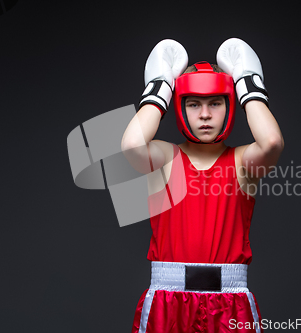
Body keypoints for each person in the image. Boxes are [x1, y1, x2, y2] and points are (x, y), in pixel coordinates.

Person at [121, 38, 284, 333]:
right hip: (167, 303)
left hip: (230, 303)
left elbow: (271, 142)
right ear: (180, 106)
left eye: (215, 103)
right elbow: (132, 144)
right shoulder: (165, 158)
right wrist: (161, 87)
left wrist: (248, 84)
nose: (205, 115)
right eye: (194, 104)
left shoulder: (242, 162)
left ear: (230, 105)